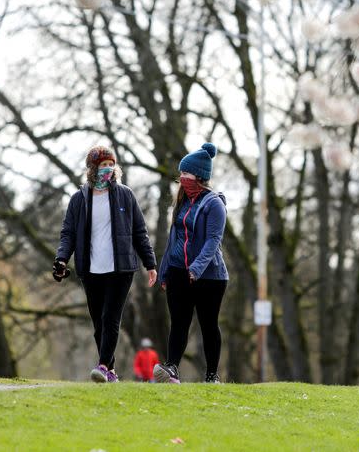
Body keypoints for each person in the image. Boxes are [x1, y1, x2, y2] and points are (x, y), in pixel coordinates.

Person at [54, 146, 158, 383]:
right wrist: (61, 258)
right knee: (98, 322)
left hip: (120, 268)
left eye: (111, 164)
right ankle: (110, 370)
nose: (108, 169)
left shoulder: (125, 195)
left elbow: (139, 232)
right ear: (92, 169)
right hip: (91, 269)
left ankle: (102, 366)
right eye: (103, 165)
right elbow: (68, 233)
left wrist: (150, 263)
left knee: (111, 317)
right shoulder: (79, 199)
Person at [153, 143, 228, 384]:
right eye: (181, 174)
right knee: (179, 323)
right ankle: (172, 368)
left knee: (208, 325)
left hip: (210, 276)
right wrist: (165, 272)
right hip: (178, 272)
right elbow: (174, 240)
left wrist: (196, 268)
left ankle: (212, 375)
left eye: (187, 174)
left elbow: (213, 241)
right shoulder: (182, 203)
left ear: (200, 176)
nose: (182, 178)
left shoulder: (214, 204)